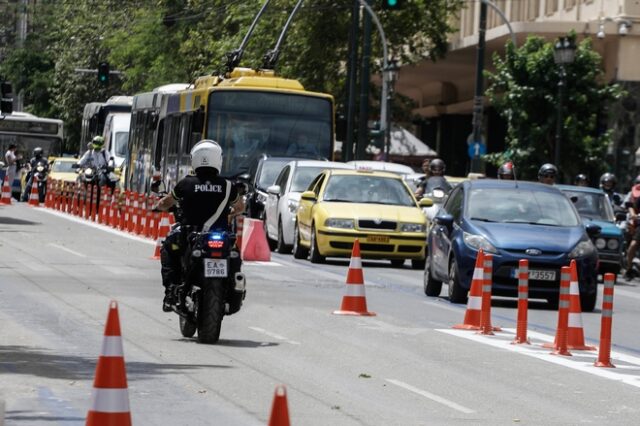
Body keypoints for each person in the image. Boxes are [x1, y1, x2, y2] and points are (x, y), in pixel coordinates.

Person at [154, 139, 245, 312]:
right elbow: (241, 207)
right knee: (234, 255)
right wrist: (231, 213)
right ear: (218, 159)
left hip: (191, 235)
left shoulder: (186, 183)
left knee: (168, 248)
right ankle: (234, 287)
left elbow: (166, 202)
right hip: (221, 236)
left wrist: (158, 205)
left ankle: (171, 292)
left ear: (195, 159)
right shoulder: (227, 186)